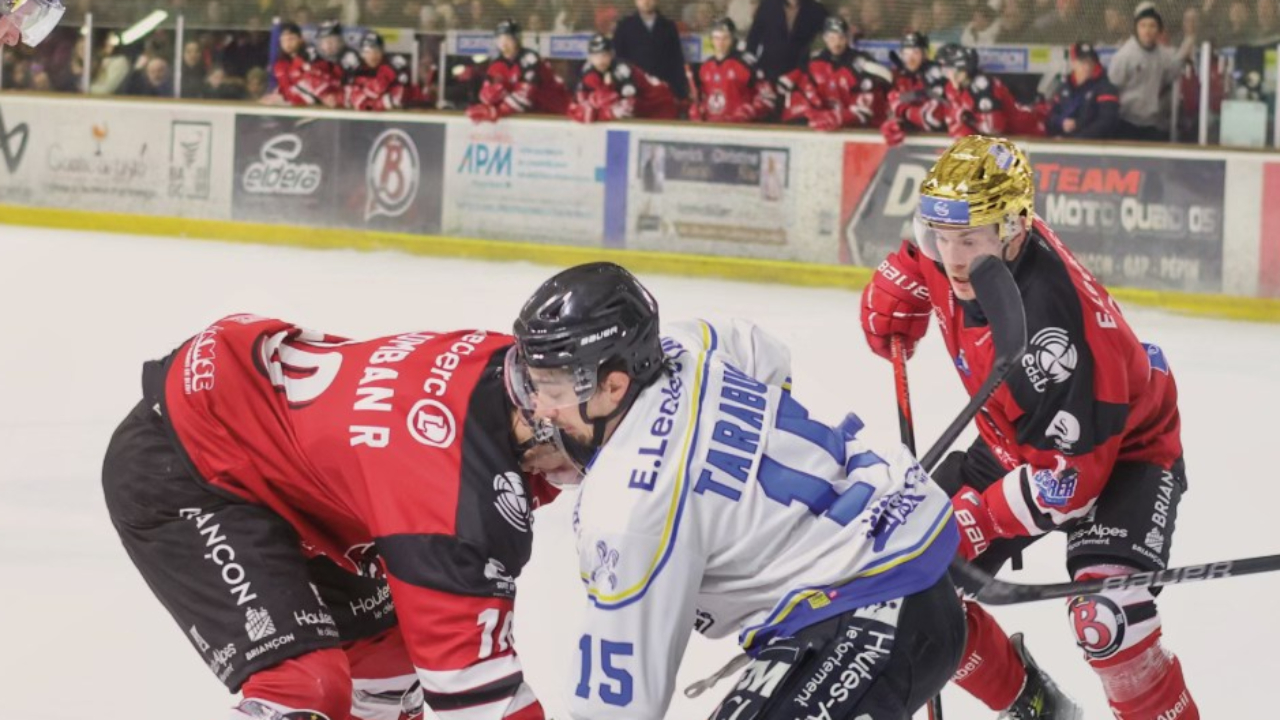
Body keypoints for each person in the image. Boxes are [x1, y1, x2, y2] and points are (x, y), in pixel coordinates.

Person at [505, 262, 965, 720]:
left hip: (869, 609)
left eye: (552, 387)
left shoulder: (629, 510)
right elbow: (763, 353)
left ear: (613, 385)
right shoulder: (686, 347)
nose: (539, 408)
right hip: (901, 552)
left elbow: (615, 709)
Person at [859, 135, 1199, 720]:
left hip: (1121, 457)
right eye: (940, 237)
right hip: (1017, 443)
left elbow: (1068, 487)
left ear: (1015, 228)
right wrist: (905, 278)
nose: (953, 257)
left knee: (1109, 624)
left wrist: (980, 517)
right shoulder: (957, 253)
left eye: (969, 240)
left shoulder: (1057, 332)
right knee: (900, 579)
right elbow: (925, 260)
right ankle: (1036, 705)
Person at [102, 315, 571, 720]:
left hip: (287, 468)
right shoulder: (443, 499)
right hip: (191, 462)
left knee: (390, 662)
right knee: (304, 689)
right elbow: (478, 695)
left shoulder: (505, 367)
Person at [779, 16, 893, 131]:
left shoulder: (863, 63)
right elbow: (801, 101)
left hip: (858, 130)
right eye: (832, 38)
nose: (837, 43)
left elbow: (866, 110)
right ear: (825, 38)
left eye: (841, 37)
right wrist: (816, 116)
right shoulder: (814, 63)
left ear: (847, 38)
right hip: (822, 127)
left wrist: (839, 117)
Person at [1108, 1, 1194, 141]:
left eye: (1152, 26)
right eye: (1143, 26)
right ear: (1136, 28)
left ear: (1158, 30)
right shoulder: (1124, 56)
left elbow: (1172, 70)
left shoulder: (1163, 54)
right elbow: (1112, 88)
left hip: (1152, 124)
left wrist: (1189, 39)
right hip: (1126, 124)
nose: (1147, 31)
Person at [465, 18, 572, 123]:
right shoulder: (497, 64)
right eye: (500, 39)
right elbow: (485, 95)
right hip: (530, 116)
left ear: (517, 39)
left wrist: (496, 111)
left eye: (508, 39)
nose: (504, 44)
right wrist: (491, 98)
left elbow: (525, 98)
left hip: (556, 114)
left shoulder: (530, 59)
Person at [934, 42, 1044, 137]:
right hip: (1005, 140)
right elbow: (952, 120)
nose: (948, 75)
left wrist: (969, 121)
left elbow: (994, 128)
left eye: (950, 70)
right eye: (945, 71)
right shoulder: (951, 88)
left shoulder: (983, 87)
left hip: (1026, 134)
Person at [568, 34, 678, 123]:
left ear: (612, 55)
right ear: (589, 57)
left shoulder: (622, 71)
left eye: (604, 55)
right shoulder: (588, 72)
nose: (600, 60)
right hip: (643, 110)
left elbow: (626, 108)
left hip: (659, 106)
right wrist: (601, 104)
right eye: (596, 56)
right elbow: (578, 108)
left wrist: (604, 107)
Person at [688, 17, 776, 123]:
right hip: (711, 130)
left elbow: (768, 98)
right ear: (711, 40)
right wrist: (697, 110)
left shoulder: (747, 64)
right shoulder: (704, 67)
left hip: (739, 129)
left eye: (725, 38)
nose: (720, 43)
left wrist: (748, 112)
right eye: (716, 38)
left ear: (733, 39)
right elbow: (700, 99)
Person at [880, 31, 949, 145]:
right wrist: (898, 124)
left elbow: (933, 118)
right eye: (906, 53)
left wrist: (905, 113)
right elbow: (891, 107)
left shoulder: (937, 74)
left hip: (943, 141)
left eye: (915, 52)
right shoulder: (900, 77)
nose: (910, 59)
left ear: (925, 54)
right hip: (916, 142)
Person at [613, 0, 688, 99]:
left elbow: (676, 61)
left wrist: (678, 92)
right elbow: (618, 60)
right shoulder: (624, 26)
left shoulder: (668, 26)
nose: (646, 1)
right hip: (634, 93)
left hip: (663, 92)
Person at [1046, 41, 1120, 139]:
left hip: (1093, 147)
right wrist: (1061, 123)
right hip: (1062, 144)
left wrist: (1076, 139)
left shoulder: (1105, 88)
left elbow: (1106, 121)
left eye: (1090, 62)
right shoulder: (1063, 88)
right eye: (1082, 62)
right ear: (1073, 63)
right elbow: (1051, 117)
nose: (1087, 67)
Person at [745, 0, 829, 80]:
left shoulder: (816, 10)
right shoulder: (768, 5)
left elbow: (826, 39)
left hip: (800, 73)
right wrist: (750, 62)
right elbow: (754, 35)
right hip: (768, 71)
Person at [271, 21, 343, 107]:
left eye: (291, 39)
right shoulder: (280, 64)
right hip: (292, 108)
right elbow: (284, 88)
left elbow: (321, 87)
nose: (287, 43)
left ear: (301, 39)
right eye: (283, 40)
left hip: (318, 108)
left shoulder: (312, 57)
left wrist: (287, 101)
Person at [346, 30, 410, 111]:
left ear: (382, 52)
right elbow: (355, 100)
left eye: (377, 51)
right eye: (368, 51)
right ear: (362, 54)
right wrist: (379, 103)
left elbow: (397, 98)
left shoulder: (391, 69)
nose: (373, 55)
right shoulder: (355, 71)